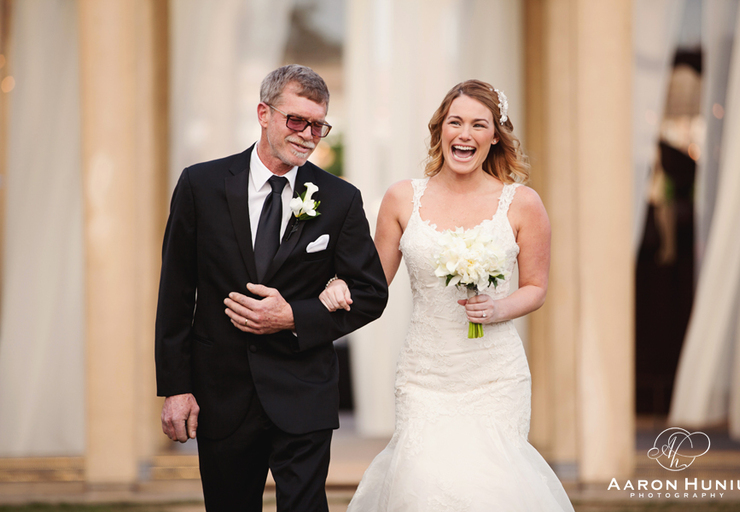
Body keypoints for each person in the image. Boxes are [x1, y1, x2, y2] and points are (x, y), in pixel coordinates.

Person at [321, 79, 574, 511]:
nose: (465, 134)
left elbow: (535, 288)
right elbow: (372, 282)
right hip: (425, 376)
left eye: (479, 124)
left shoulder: (522, 203)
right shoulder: (403, 198)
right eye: (455, 122)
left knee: (492, 489)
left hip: (495, 375)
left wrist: (497, 308)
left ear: (495, 135)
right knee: (422, 486)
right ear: (439, 129)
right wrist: (336, 284)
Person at [155, 64, 388, 512]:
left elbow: (371, 292)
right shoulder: (200, 185)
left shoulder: (340, 198)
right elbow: (176, 292)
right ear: (264, 113)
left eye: (318, 125)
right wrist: (176, 387)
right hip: (222, 392)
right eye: (296, 120)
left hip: (305, 393)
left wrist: (295, 317)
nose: (307, 134)